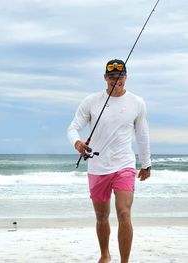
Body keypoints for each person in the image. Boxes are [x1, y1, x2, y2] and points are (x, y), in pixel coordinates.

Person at [67, 59, 151, 263]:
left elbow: (142, 135)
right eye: (112, 77)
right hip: (97, 167)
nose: (117, 80)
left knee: (124, 213)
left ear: (126, 77)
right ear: (105, 78)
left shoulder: (137, 103)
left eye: (120, 76)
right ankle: (105, 255)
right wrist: (78, 144)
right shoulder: (91, 101)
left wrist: (146, 164)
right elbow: (73, 128)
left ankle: (124, 261)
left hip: (124, 165)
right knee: (102, 217)